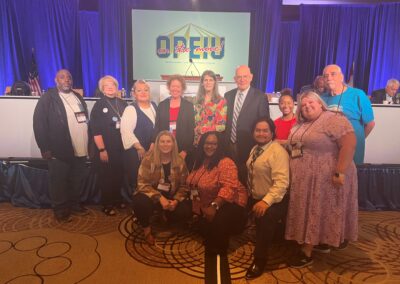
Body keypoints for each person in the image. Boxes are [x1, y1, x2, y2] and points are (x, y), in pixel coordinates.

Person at [285, 91, 358, 268]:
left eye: (311, 102)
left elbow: (349, 143)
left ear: (320, 104)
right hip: (306, 177)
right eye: (303, 104)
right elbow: (295, 145)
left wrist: (340, 171)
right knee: (317, 210)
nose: (307, 106)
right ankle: (320, 242)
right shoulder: (302, 124)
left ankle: (306, 251)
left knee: (317, 210)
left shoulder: (332, 118)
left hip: (327, 176)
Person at [187, 131, 247, 283]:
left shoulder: (225, 162)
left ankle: (221, 246)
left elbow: (229, 188)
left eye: (214, 143)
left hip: (230, 204)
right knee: (201, 226)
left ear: (219, 145)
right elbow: (193, 185)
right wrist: (197, 211)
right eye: (207, 143)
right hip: (206, 204)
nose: (210, 146)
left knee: (215, 241)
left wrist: (214, 206)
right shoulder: (199, 160)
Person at [33, 69, 89, 223]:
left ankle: (75, 204)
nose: (67, 80)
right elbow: (39, 124)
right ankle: (60, 210)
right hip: (59, 149)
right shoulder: (48, 98)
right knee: (59, 182)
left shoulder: (77, 97)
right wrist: (44, 148)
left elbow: (84, 120)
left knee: (77, 179)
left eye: (69, 78)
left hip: (81, 149)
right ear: (56, 80)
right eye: (63, 77)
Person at [245, 117, 289, 279]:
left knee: (265, 218)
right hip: (256, 196)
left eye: (265, 130)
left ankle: (260, 259)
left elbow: (281, 184)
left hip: (276, 199)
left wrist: (265, 202)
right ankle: (278, 235)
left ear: (272, 132)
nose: (261, 133)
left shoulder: (278, 152)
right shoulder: (255, 149)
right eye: (258, 130)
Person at [132, 131, 191, 245]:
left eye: (168, 141)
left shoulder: (180, 161)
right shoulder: (148, 159)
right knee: (139, 202)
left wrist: (176, 201)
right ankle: (147, 230)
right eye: (162, 141)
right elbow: (142, 183)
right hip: (152, 197)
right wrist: (159, 197)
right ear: (157, 144)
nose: (165, 144)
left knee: (186, 211)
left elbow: (184, 186)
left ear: (173, 144)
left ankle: (165, 215)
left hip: (171, 196)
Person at [321, 64, 375, 165]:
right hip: (328, 149)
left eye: (333, 74)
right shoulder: (321, 98)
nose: (329, 78)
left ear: (341, 77)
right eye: (325, 76)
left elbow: (370, 124)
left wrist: (357, 140)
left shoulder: (358, 94)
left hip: (352, 150)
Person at [224, 65, 270, 184]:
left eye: (245, 76)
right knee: (228, 179)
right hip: (228, 145)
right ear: (235, 79)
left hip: (249, 146)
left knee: (246, 181)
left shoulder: (260, 97)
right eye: (239, 77)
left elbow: (264, 124)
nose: (242, 79)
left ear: (251, 77)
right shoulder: (227, 96)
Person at [90, 75, 128, 216]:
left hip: (121, 148)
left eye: (112, 84)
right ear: (102, 89)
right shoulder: (99, 105)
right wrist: (102, 149)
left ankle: (117, 200)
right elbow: (95, 130)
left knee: (118, 175)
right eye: (106, 85)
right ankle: (107, 204)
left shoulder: (123, 103)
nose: (110, 87)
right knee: (106, 177)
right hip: (106, 148)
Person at [121, 80, 157, 194]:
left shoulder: (154, 106)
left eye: (146, 90)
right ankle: (137, 206)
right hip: (136, 152)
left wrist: (153, 144)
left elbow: (158, 127)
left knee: (151, 177)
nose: (143, 93)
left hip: (152, 149)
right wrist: (139, 147)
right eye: (139, 90)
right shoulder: (130, 109)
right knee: (137, 179)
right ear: (134, 93)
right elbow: (126, 131)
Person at [153, 75, 195, 162]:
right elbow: (157, 127)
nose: (175, 89)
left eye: (178, 86)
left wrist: (185, 150)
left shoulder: (189, 106)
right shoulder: (162, 105)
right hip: (164, 147)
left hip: (182, 148)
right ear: (169, 87)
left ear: (182, 88)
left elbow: (191, 130)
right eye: (173, 86)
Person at [194, 70, 227, 145]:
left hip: (212, 142)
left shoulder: (221, 101)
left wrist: (203, 129)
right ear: (202, 83)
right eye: (205, 80)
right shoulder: (197, 101)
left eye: (211, 80)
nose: (208, 82)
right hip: (197, 141)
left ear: (215, 83)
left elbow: (222, 126)